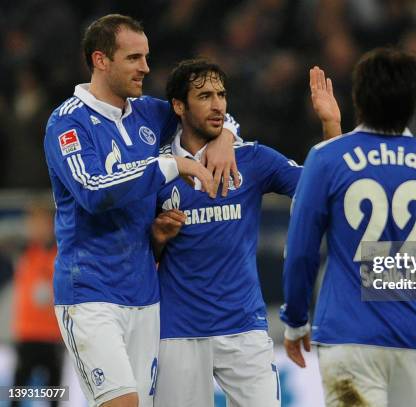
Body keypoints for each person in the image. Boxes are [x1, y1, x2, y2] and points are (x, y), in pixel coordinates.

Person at [43, 14, 241, 407]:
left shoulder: (151, 113)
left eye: (146, 57)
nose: (146, 68)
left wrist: (227, 137)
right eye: (134, 58)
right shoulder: (68, 123)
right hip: (90, 292)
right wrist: (171, 165)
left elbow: (208, 112)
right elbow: (91, 190)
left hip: (145, 296)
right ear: (101, 60)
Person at [280, 47, 416, 407]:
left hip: (347, 336)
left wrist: (296, 319)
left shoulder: (326, 158)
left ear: (357, 98)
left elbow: (301, 250)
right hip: (413, 337)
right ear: (412, 102)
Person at [150, 58, 306, 407]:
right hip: (178, 332)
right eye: (204, 96)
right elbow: (136, 252)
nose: (218, 103)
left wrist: (330, 126)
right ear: (178, 106)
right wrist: (156, 239)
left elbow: (320, 187)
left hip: (244, 328)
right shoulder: (158, 171)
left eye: (221, 94)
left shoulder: (251, 159)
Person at [11, 200, 63, 407]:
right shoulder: (23, 253)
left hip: (52, 337)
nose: (35, 228)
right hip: (27, 335)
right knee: (16, 392)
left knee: (55, 395)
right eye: (31, 223)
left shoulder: (60, 255)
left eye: (41, 223)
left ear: (51, 225)